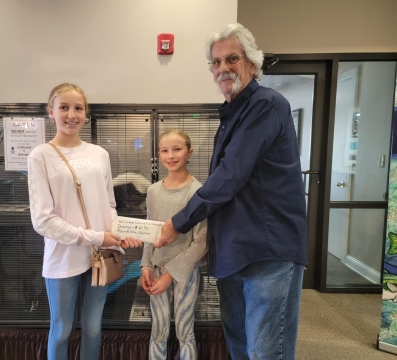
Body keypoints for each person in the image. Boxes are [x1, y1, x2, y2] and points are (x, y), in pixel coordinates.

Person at [154, 23, 307, 360]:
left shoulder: (266, 105)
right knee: (238, 347)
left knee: (267, 351)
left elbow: (229, 176)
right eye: (216, 62)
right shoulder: (231, 115)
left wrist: (177, 223)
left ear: (252, 63)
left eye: (232, 59)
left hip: (267, 252)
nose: (222, 68)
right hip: (232, 254)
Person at [27, 83, 142, 360]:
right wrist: (95, 236)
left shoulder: (99, 154)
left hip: (101, 255)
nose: (71, 114)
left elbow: (109, 205)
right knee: (62, 329)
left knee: (92, 326)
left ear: (86, 113)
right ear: (50, 112)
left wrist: (117, 233)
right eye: (63, 107)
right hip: (63, 257)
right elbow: (43, 220)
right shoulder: (40, 155)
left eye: (78, 108)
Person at [138, 129, 208, 360]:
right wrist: (146, 267)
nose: (171, 155)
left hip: (185, 274)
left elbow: (201, 242)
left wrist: (170, 274)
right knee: (158, 331)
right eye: (165, 150)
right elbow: (151, 232)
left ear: (189, 152)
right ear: (158, 154)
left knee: (185, 332)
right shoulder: (153, 191)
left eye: (177, 149)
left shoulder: (199, 192)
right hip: (156, 272)